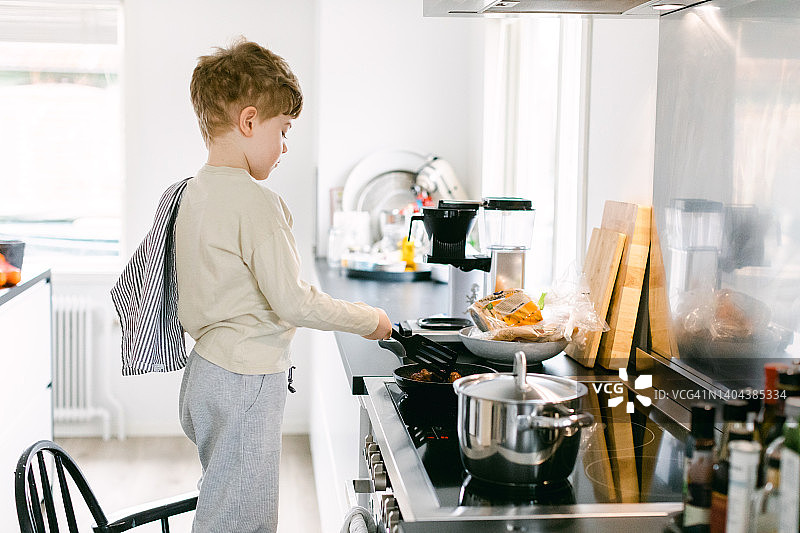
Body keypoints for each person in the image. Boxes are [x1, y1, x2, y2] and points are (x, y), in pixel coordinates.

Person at [175, 39, 392, 533]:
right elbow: (294, 302)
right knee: (243, 521)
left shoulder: (193, 191)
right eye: (284, 130)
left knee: (222, 503)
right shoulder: (256, 203)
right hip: (245, 380)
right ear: (250, 122)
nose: (286, 147)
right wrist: (370, 320)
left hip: (204, 374)